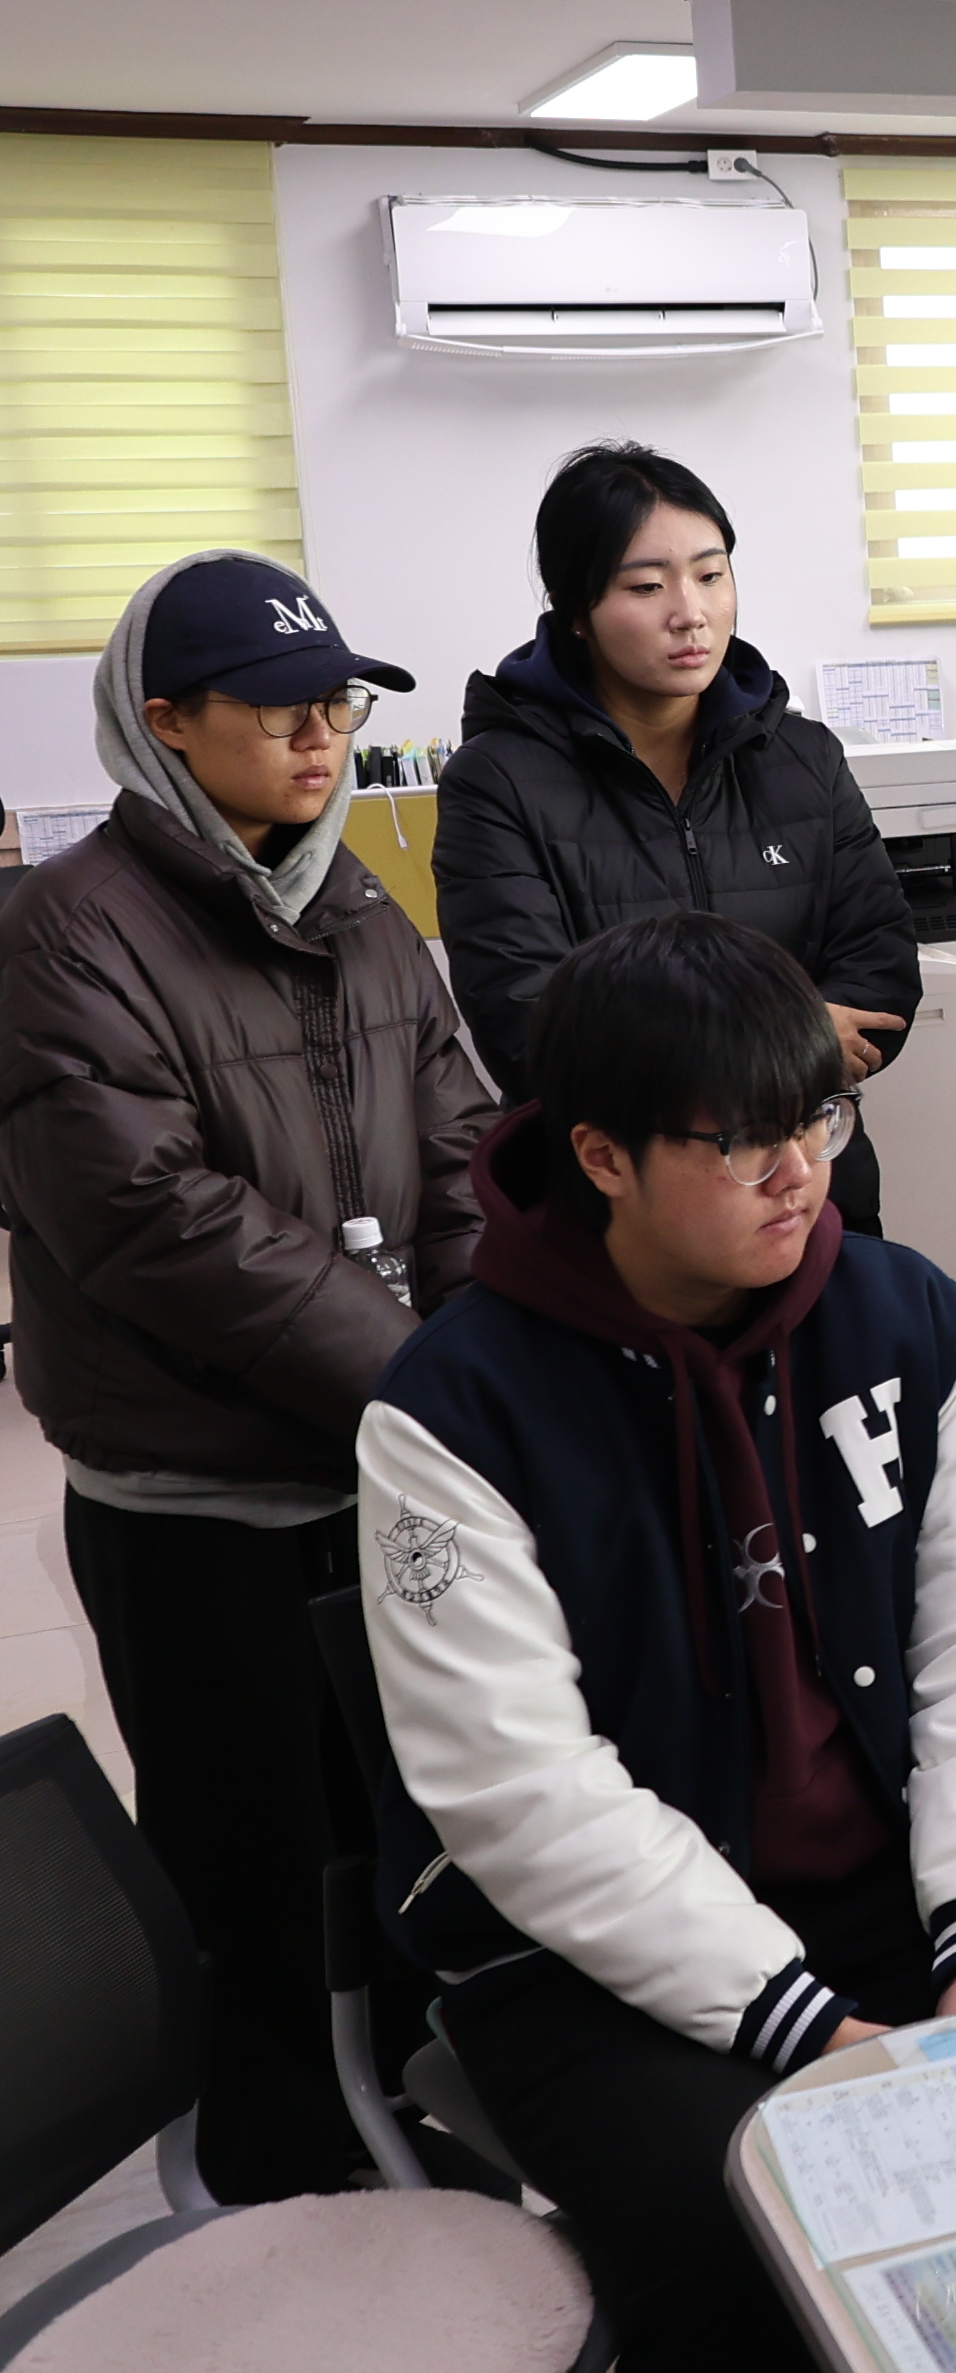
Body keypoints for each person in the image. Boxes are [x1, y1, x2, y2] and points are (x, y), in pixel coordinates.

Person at [358, 914, 956, 2369]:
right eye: (742, 1144)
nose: (800, 1173)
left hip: (903, 1878)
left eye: (818, 1120)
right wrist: (815, 2035)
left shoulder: (904, 1316)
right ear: (603, 1157)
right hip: (589, 1960)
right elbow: (523, 1794)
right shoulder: (453, 1412)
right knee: (759, 2251)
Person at [0, 553, 487, 2201]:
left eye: (335, 705)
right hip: (197, 1501)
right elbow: (156, 1221)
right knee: (258, 1863)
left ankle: (410, 2119)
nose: (320, 737)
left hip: (381, 1470)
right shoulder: (67, 932)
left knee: (403, 1832)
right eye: (279, 711)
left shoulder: (359, 907)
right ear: (165, 722)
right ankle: (279, 2177)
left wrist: (474, 1365)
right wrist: (426, 1382)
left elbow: (462, 1149)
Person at [435, 441, 919, 1234]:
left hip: (809, 1189)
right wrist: (793, 1043)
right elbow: (531, 1023)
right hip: (621, 1218)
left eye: (711, 574)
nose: (690, 612)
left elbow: (880, 965)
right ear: (575, 607)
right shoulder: (498, 781)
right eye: (646, 586)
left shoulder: (804, 759)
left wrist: (729, 1076)